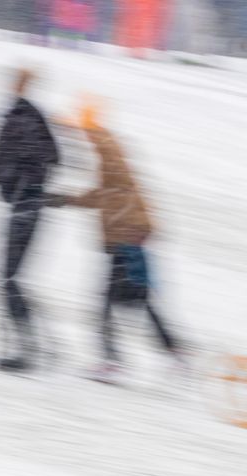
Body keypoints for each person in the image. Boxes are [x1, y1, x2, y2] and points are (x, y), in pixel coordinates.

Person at [47, 102, 184, 382]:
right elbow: (105, 194)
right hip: (127, 236)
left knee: (110, 301)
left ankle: (113, 362)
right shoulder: (108, 154)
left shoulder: (107, 148)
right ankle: (174, 353)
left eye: (78, 130)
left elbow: (116, 189)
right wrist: (64, 200)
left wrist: (83, 132)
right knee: (137, 299)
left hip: (126, 237)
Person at [0, 67, 61, 372]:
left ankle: (27, 351)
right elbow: (53, 156)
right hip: (29, 205)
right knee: (11, 279)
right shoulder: (33, 118)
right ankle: (42, 346)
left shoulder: (18, 117)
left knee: (8, 280)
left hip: (25, 206)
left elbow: (7, 158)